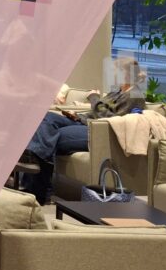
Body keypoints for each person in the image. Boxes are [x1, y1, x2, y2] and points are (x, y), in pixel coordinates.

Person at [22, 58, 148, 204]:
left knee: (51, 137)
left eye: (115, 70)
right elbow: (98, 111)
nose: (111, 73)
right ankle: (34, 172)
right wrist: (77, 116)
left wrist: (94, 97)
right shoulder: (117, 91)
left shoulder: (135, 95)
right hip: (85, 122)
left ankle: (37, 191)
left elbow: (105, 116)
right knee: (44, 118)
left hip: (99, 131)